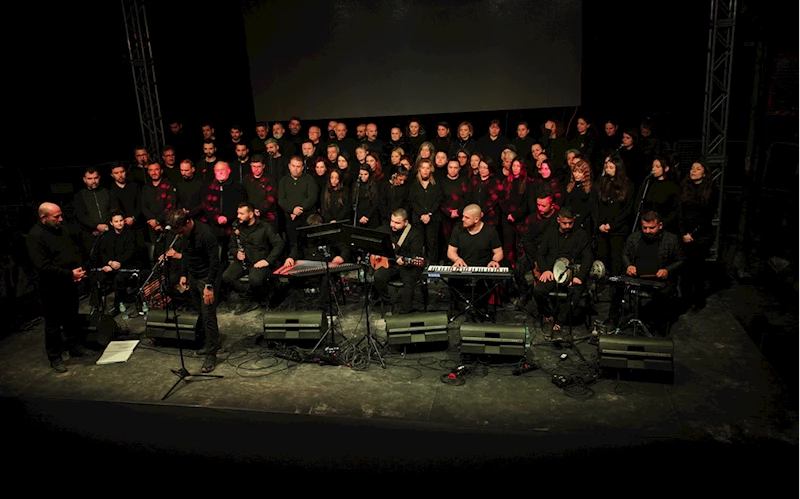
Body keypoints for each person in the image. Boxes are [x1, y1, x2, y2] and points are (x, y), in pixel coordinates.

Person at [26, 202, 95, 373]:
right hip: (50, 287)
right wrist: (70, 274)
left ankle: (75, 347)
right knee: (53, 323)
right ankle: (55, 357)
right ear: (43, 218)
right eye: (56, 216)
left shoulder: (61, 230)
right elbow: (43, 266)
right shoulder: (35, 236)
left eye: (60, 215)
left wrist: (78, 271)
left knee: (71, 317)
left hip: (69, 283)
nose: (60, 219)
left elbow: (72, 251)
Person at [167, 209, 221, 373]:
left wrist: (209, 286)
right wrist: (184, 274)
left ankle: (211, 355)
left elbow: (214, 262)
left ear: (188, 222)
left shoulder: (206, 234)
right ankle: (212, 342)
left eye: (181, 231)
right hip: (193, 276)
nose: (180, 234)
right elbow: (186, 255)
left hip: (207, 278)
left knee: (208, 315)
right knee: (201, 313)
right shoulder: (183, 235)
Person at [532, 208, 593, 338]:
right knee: (538, 290)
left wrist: (580, 277)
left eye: (570, 223)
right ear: (558, 220)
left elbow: (588, 258)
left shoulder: (581, 235)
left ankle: (559, 323)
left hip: (573, 275)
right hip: (553, 273)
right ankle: (549, 314)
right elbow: (540, 254)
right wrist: (545, 270)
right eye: (564, 223)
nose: (567, 226)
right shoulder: (550, 233)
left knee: (573, 293)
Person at [621, 210, 684, 336]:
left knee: (662, 298)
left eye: (652, 228)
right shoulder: (634, 238)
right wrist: (629, 265)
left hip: (661, 281)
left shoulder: (671, 239)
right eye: (645, 228)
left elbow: (680, 260)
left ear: (660, 225)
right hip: (638, 278)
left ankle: (657, 327)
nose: (648, 231)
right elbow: (625, 254)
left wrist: (667, 270)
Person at [221, 202, 284, 315]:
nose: (238, 216)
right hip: (243, 261)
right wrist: (236, 253)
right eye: (238, 213)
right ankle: (249, 298)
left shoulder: (264, 227)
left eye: (241, 213)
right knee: (226, 277)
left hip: (260, 261)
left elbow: (278, 244)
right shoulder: (237, 226)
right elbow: (232, 246)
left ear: (250, 214)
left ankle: (261, 298)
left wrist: (267, 260)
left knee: (255, 280)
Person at [447, 204, 503, 321]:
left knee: (487, 285)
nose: (462, 219)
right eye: (463, 216)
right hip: (462, 268)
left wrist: (494, 261)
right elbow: (451, 252)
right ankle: (462, 308)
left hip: (483, 269)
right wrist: (457, 259)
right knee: (452, 280)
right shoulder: (458, 229)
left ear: (476, 219)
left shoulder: (490, 231)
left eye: (466, 218)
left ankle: (479, 310)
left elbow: (499, 252)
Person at [374, 209, 425, 316]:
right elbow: (373, 239)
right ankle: (389, 302)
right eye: (392, 221)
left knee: (408, 282)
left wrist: (406, 262)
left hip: (408, 266)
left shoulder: (415, 235)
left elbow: (415, 256)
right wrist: (377, 251)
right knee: (378, 276)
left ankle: (404, 313)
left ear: (406, 222)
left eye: (397, 223)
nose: (393, 225)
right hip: (391, 264)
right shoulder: (385, 230)